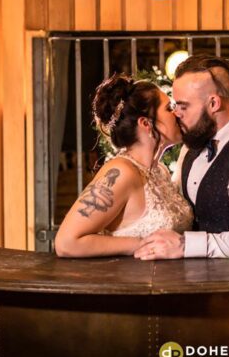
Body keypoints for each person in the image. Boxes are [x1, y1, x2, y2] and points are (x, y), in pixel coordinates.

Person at [135, 55, 229, 259]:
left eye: (184, 106)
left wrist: (186, 245)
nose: (176, 114)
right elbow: (173, 206)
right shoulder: (190, 146)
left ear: (214, 103)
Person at [54, 74, 193, 258]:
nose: (177, 114)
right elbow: (66, 243)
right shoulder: (122, 172)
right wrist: (141, 244)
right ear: (146, 123)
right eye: (169, 108)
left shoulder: (160, 171)